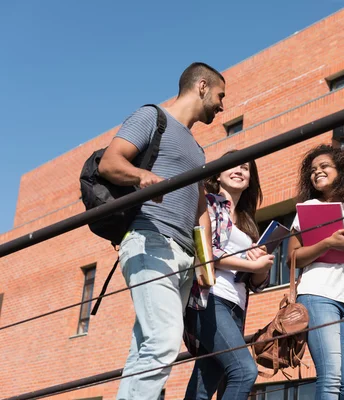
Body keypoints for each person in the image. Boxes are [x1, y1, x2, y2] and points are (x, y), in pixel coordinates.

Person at [97, 62, 226, 400]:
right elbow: (110, 162)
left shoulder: (198, 150)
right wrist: (143, 177)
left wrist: (205, 262)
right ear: (202, 86)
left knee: (145, 346)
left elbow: (200, 210)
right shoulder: (153, 117)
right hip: (150, 241)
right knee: (165, 339)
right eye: (220, 95)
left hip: (184, 257)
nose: (222, 105)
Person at [287, 144, 344, 399]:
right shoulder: (309, 207)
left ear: (341, 171)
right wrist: (327, 244)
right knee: (331, 377)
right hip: (317, 296)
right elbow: (292, 258)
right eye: (313, 170)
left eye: (324, 166)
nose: (316, 172)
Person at [183, 150, 274, 400]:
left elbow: (256, 284)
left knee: (202, 389)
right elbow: (205, 253)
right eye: (232, 166)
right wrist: (250, 266)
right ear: (219, 175)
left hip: (236, 305)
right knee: (244, 371)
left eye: (245, 168)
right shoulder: (209, 204)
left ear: (250, 179)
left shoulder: (247, 222)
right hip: (209, 298)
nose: (239, 171)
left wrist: (262, 267)